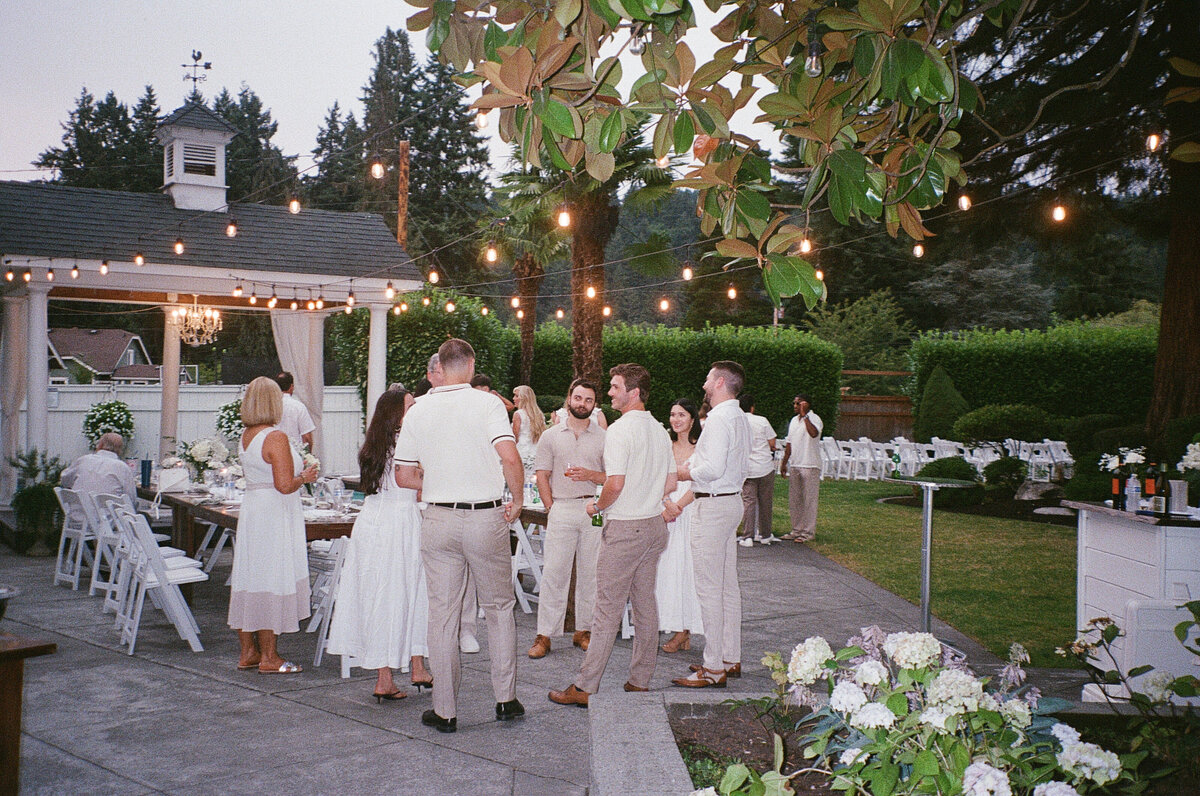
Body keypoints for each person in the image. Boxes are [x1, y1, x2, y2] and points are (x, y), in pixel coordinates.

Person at [394, 339, 526, 733]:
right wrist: (518, 498)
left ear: (439, 367)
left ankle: (445, 710)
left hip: (438, 517)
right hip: (485, 516)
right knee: (499, 608)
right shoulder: (487, 404)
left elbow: (403, 475)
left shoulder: (418, 409)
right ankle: (505, 699)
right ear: (470, 365)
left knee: (442, 616)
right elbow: (509, 456)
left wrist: (438, 480)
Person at [549, 363, 674, 707]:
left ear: (634, 393)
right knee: (645, 605)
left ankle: (585, 687)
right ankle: (639, 680)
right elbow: (670, 483)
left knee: (606, 610)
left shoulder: (619, 431)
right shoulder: (659, 429)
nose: (610, 393)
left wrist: (596, 507)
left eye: (616, 387)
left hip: (626, 528)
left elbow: (615, 484)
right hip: (653, 526)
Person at [326, 389, 433, 702]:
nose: (415, 408)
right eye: (410, 405)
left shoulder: (374, 446)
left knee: (387, 592)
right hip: (398, 524)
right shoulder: (405, 443)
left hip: (373, 521)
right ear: (396, 414)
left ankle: (411, 668)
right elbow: (408, 481)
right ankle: (391, 676)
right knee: (403, 592)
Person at [228, 377, 319, 674]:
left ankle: (248, 652)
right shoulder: (275, 437)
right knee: (271, 577)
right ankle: (269, 657)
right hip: (274, 513)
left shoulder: (246, 435)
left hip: (255, 509)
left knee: (251, 576)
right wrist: (305, 477)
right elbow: (284, 484)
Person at [673, 361, 751, 688]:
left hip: (714, 505)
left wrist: (681, 473)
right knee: (727, 587)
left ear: (719, 382)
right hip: (730, 502)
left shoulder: (719, 418)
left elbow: (712, 468)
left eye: (708, 379)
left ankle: (713, 667)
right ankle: (729, 657)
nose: (704, 385)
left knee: (709, 589)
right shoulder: (739, 416)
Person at [527, 378, 606, 659]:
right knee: (554, 573)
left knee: (590, 573)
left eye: (588, 400)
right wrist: (551, 507)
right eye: (578, 398)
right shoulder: (550, 435)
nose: (582, 404)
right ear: (569, 399)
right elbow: (542, 475)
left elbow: (612, 477)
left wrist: (591, 475)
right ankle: (544, 634)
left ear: (595, 404)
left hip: (592, 509)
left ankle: (584, 630)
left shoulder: (604, 437)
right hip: (561, 507)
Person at [425, 352, 479, 655]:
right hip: (429, 501)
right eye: (440, 372)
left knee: (465, 569)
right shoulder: (420, 408)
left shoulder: (472, 406)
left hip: (462, 499)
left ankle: (466, 628)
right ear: (433, 375)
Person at [656, 399, 704, 654]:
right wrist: (666, 503)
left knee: (689, 571)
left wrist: (678, 507)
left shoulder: (701, 448)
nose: (676, 419)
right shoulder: (667, 446)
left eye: (681, 415)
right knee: (669, 570)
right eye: (673, 414)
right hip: (666, 511)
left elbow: (700, 483)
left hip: (690, 512)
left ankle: (685, 629)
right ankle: (675, 624)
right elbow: (657, 477)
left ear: (692, 419)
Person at [780, 394, 823, 543]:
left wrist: (805, 416)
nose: (795, 406)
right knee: (795, 500)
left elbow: (814, 433)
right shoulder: (793, 421)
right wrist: (784, 462)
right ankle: (796, 530)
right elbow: (789, 443)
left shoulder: (815, 418)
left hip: (810, 464)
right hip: (796, 464)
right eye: (794, 403)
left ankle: (808, 532)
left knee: (809, 500)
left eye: (798, 403)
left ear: (806, 404)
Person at [61, 432, 138, 514]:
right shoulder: (122, 468)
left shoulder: (84, 460)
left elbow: (64, 480)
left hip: (77, 516)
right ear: (120, 450)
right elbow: (131, 500)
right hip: (107, 519)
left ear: (100, 445)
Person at [739, 394, 778, 547]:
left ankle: (748, 536)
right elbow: (772, 442)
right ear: (752, 407)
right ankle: (765, 535)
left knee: (749, 502)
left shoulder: (738, 422)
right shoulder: (762, 420)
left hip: (748, 468)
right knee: (765, 502)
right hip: (765, 466)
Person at [273, 372, 316, 451]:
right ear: (291, 387)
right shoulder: (299, 407)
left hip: (272, 452)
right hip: (294, 453)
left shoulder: (269, 406)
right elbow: (307, 437)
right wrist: (307, 455)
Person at [511, 385, 546, 481]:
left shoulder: (518, 414)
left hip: (521, 451)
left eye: (516, 396)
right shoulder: (539, 414)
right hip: (536, 452)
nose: (513, 398)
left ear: (524, 398)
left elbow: (515, 437)